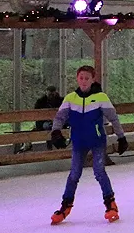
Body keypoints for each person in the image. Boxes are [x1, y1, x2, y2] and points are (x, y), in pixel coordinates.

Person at [49, 65, 128, 224]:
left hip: (97, 141)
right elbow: (59, 118)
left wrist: (121, 137)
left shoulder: (101, 97)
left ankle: (110, 204)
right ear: (77, 79)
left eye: (87, 78)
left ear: (93, 80)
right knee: (74, 174)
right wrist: (56, 132)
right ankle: (66, 205)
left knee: (99, 172)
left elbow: (113, 118)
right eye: (81, 78)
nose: (84, 81)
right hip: (79, 142)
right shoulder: (70, 98)